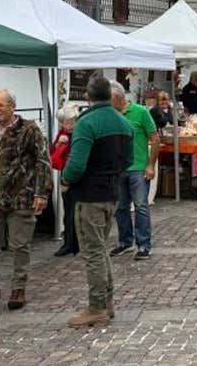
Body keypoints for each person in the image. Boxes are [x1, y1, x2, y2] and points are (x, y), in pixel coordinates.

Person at [0, 89, 51, 311]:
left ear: (12, 106)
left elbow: (43, 161)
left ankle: (18, 287)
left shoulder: (28, 129)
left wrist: (41, 192)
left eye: (0, 105)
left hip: (22, 196)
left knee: (19, 245)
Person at [62, 77, 132, 328]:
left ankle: (97, 306)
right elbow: (128, 160)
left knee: (93, 252)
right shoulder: (123, 122)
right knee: (101, 248)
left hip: (89, 194)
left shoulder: (87, 122)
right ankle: (107, 302)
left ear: (88, 97)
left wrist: (66, 179)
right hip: (112, 192)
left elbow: (77, 163)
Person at [111, 82, 158, 260]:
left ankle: (144, 244)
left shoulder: (140, 112)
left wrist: (150, 164)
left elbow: (154, 138)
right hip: (119, 168)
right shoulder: (111, 115)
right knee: (120, 206)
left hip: (138, 167)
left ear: (116, 97)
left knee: (140, 206)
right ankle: (125, 241)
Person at [50, 103, 82, 258]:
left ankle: (74, 243)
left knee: (75, 211)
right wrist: (58, 144)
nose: (64, 125)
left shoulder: (80, 133)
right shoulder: (62, 133)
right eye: (63, 122)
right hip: (65, 173)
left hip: (78, 174)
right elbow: (52, 153)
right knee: (68, 210)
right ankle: (69, 242)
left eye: (68, 122)